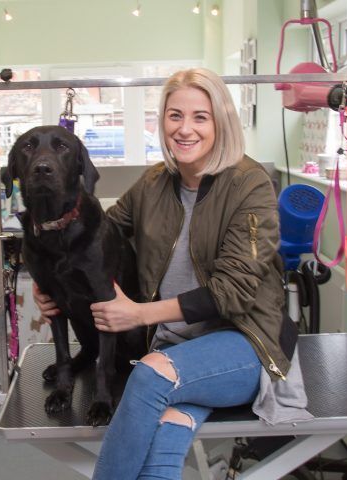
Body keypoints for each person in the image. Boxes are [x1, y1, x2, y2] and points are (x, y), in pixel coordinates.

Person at [34, 68, 307, 480]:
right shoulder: (155, 183)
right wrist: (52, 282)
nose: (185, 129)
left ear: (221, 122)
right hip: (174, 347)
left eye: (200, 117)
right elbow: (102, 235)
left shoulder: (250, 185)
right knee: (164, 446)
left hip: (244, 343)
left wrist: (139, 315)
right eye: (174, 115)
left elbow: (233, 291)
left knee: (148, 378)